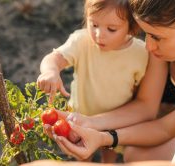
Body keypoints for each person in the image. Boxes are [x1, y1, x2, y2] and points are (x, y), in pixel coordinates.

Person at [22, 0, 175, 165]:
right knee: (133, 154)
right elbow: (162, 123)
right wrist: (97, 130)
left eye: (156, 36)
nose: (147, 46)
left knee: (134, 154)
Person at [37, 0, 149, 162]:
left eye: (111, 29)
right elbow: (54, 58)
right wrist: (50, 71)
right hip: (80, 117)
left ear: (132, 27)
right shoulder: (81, 41)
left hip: (116, 120)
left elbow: (140, 91)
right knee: (82, 152)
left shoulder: (140, 53)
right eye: (94, 24)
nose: (99, 34)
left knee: (110, 149)